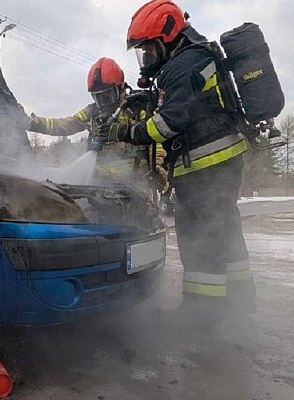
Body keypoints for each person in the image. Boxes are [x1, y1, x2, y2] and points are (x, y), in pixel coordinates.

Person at [107, 0, 256, 323]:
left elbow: (167, 124)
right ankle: (241, 301)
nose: (145, 59)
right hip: (224, 159)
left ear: (167, 38)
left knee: (199, 235)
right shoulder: (198, 56)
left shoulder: (181, 65)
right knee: (226, 228)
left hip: (204, 164)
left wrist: (126, 131)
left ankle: (203, 313)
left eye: (148, 50)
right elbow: (190, 105)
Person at [24, 57, 167, 187]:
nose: (103, 102)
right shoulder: (92, 112)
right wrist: (33, 123)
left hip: (136, 186)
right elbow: (64, 125)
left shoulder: (138, 109)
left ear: (120, 87)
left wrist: (158, 168)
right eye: (98, 97)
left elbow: (155, 140)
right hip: (100, 186)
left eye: (107, 95)